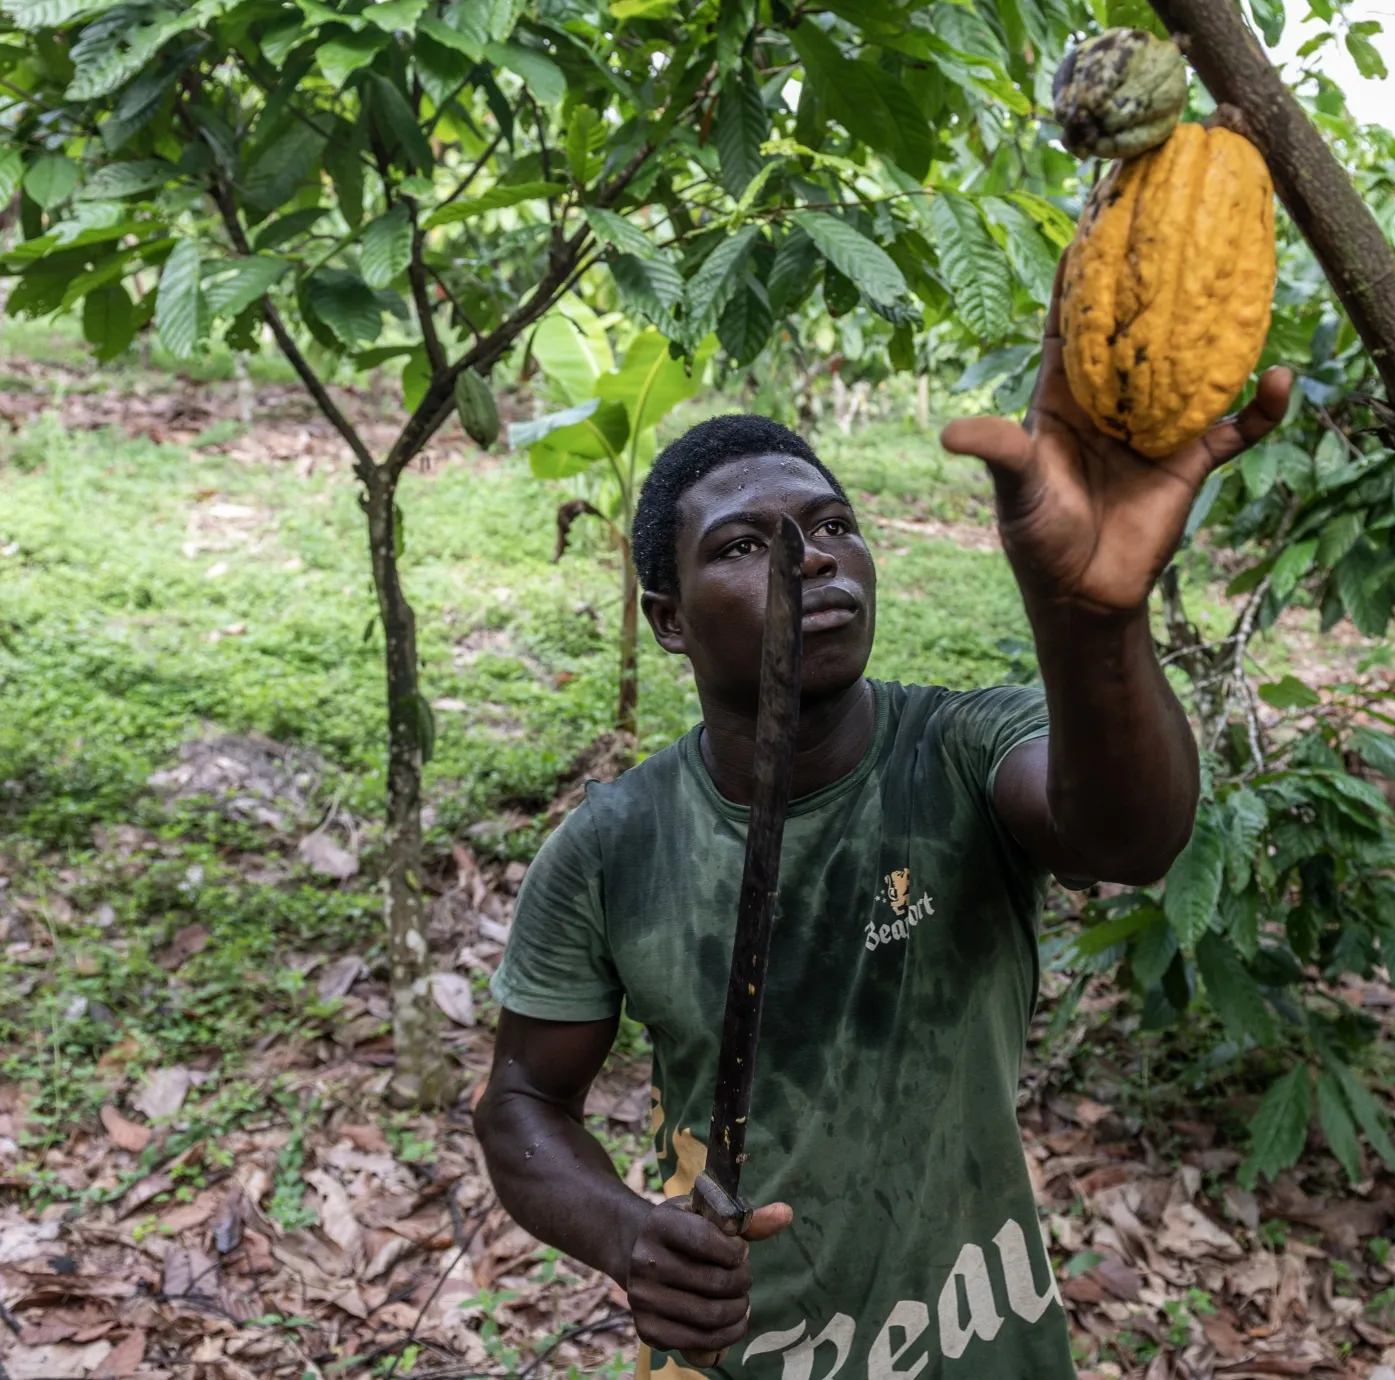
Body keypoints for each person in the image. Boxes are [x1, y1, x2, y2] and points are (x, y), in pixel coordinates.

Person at [473, 289, 1291, 1378]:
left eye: (830, 527)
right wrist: (628, 1235)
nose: (808, 559)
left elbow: (1127, 837)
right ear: (666, 620)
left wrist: (1092, 619)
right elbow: (522, 1103)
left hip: (976, 1345)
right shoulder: (614, 845)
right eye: (744, 545)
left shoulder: (961, 748)